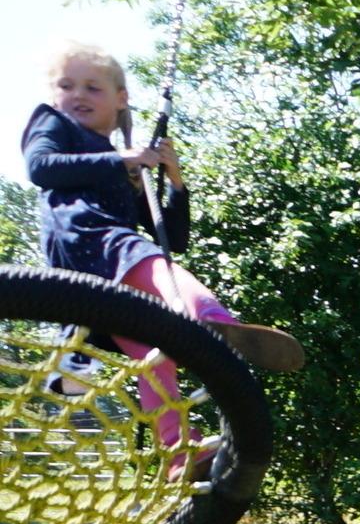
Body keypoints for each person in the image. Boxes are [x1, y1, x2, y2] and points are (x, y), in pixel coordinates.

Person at [25, 43, 302, 397]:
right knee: (155, 265)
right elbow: (40, 167)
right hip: (89, 243)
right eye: (66, 86)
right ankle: (213, 320)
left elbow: (173, 237)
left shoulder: (125, 167)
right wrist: (124, 160)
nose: (78, 94)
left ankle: (173, 433)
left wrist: (175, 181)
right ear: (53, 95)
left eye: (92, 88)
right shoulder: (55, 123)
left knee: (156, 356)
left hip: (114, 274)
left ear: (120, 99)